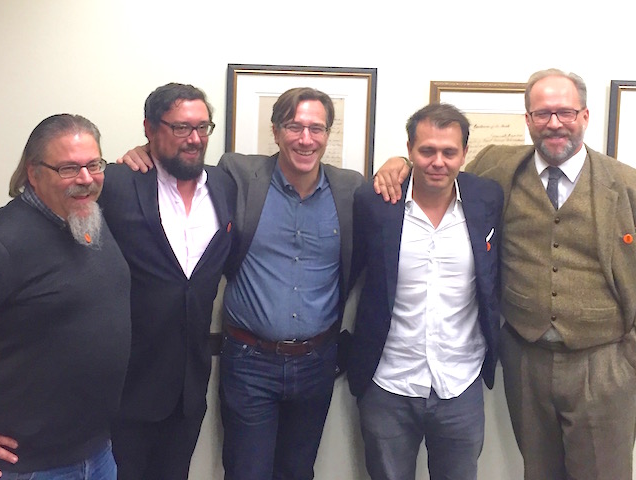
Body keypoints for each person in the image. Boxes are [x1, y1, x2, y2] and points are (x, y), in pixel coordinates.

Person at [374, 68, 636, 480]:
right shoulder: (499, 166)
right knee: (538, 471)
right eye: (542, 113)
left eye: (565, 112)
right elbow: (441, 165)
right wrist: (400, 164)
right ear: (528, 120)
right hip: (526, 359)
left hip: (603, 362)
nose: (554, 123)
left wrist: (629, 359)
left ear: (585, 116)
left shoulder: (625, 185)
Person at [120, 86, 364, 480]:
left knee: (298, 472)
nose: (306, 139)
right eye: (294, 126)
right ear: (275, 131)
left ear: (327, 134)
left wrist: (400, 163)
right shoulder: (239, 175)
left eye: (316, 128)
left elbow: (399, 192)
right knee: (246, 472)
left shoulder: (350, 188)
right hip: (250, 361)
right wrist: (143, 150)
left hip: (317, 361)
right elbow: (180, 154)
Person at [348, 103, 503, 480]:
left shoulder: (487, 198)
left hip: (460, 382)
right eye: (426, 150)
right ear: (409, 150)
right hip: (389, 381)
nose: (438, 162)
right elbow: (350, 271)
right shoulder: (376, 201)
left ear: (464, 153)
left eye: (449, 152)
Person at [98, 83, 236, 480]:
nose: (194, 139)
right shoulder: (117, 183)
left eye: (202, 127)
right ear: (149, 128)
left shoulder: (225, 186)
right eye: (180, 128)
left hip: (188, 390)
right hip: (124, 388)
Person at [0, 114, 131, 479]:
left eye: (94, 165)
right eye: (68, 168)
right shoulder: (5, 241)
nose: (85, 179)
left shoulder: (87, 219)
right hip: (29, 467)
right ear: (33, 172)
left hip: (97, 453)